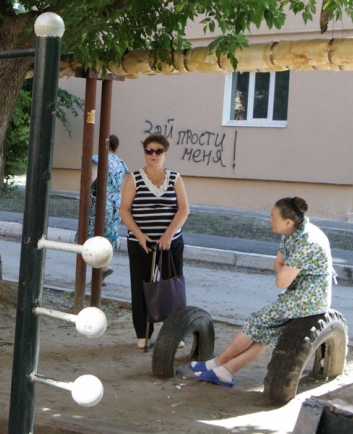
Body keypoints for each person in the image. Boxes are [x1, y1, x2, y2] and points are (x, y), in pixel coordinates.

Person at [190, 197, 336, 387]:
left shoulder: (306, 241)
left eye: (273, 217)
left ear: (288, 221)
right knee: (264, 334)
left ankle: (218, 364)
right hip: (299, 294)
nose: (269, 220)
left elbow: (281, 281)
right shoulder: (291, 232)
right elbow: (278, 264)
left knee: (256, 322)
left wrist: (285, 274)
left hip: (309, 299)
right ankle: (225, 371)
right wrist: (286, 273)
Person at [119, 133, 190, 349]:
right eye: (149, 150)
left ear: (165, 154)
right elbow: (124, 210)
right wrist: (140, 235)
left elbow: (184, 209)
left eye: (158, 151)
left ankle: (174, 333)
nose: (153, 154)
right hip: (141, 244)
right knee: (142, 288)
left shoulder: (175, 178)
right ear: (144, 152)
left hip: (171, 243)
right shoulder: (134, 178)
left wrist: (168, 234)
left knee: (172, 288)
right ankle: (143, 334)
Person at [88, 134, 129, 286]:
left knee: (94, 236)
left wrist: (86, 192)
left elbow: (92, 178)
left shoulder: (98, 158)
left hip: (100, 200)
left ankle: (104, 267)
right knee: (107, 237)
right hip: (116, 203)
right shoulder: (121, 163)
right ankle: (101, 278)